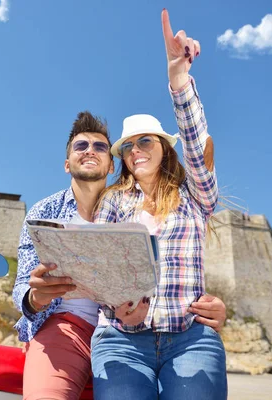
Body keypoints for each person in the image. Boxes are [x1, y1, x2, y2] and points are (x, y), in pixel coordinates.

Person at [12, 110, 227, 400]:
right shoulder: (52, 210)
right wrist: (35, 298)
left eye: (100, 146)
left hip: (159, 329)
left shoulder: (165, 198)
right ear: (67, 163)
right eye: (81, 146)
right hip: (78, 327)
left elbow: (197, 144)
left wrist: (178, 79)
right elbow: (26, 284)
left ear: (111, 162)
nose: (90, 151)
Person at [90, 9, 227, 400]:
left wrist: (178, 77)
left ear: (164, 148)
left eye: (145, 141)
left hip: (190, 338)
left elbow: (198, 147)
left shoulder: (195, 196)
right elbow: (95, 266)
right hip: (120, 341)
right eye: (128, 146)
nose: (135, 150)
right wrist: (116, 306)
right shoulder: (113, 202)